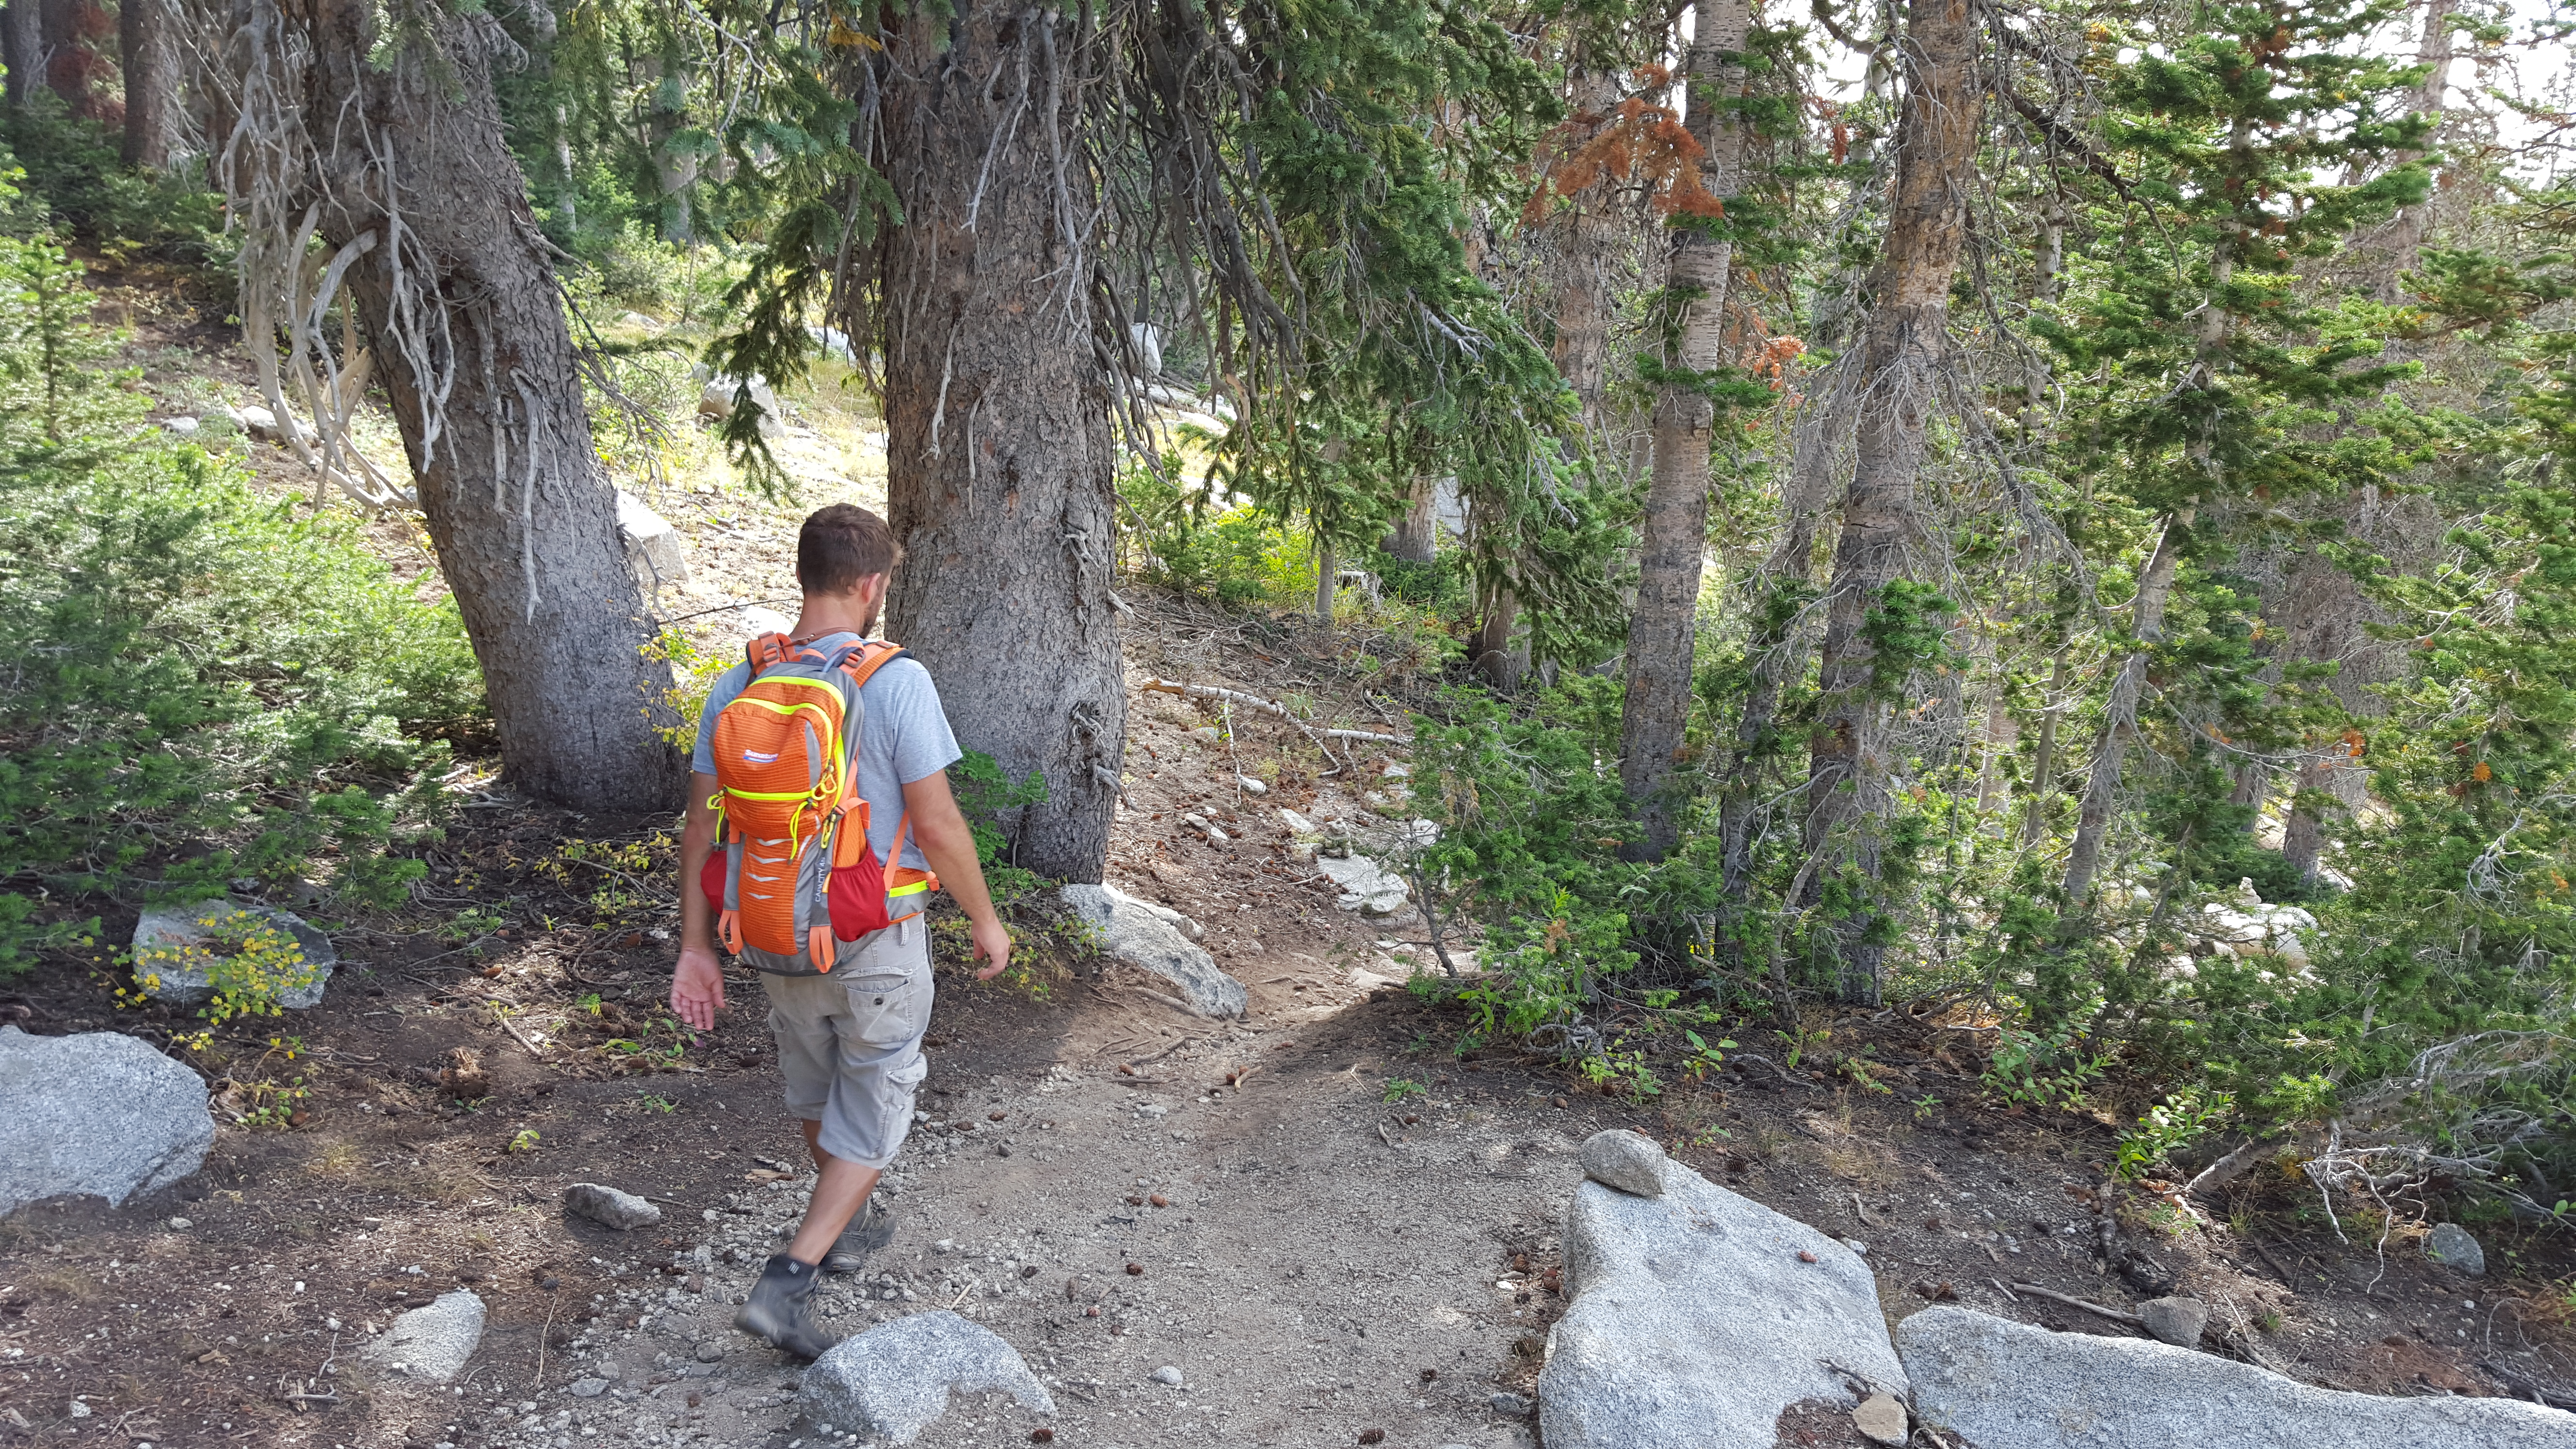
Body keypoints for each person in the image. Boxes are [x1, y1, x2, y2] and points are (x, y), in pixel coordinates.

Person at [666, 502, 1013, 1360]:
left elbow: (702, 830)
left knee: (822, 1097)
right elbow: (936, 826)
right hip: (875, 939)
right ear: (872, 585)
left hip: (775, 935)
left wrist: (698, 946)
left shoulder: (740, 681)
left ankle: (846, 1213)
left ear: (803, 576)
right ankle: (789, 1282)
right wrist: (984, 918)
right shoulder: (896, 680)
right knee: (880, 1097)